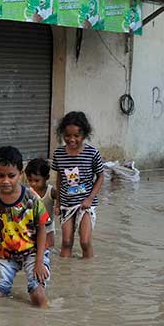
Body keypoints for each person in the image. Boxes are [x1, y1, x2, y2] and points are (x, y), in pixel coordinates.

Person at [0, 146, 51, 308]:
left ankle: (43, 324)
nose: (5, 181)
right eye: (0, 176)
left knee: (38, 296)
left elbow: (42, 228)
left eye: (11, 176)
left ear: (20, 173)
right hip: (7, 254)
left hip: (33, 252)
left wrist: (39, 261)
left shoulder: (32, 198)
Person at [52, 111, 104, 259]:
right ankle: (65, 274)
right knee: (67, 241)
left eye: (76, 136)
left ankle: (86, 274)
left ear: (84, 135)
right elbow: (60, 178)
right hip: (66, 204)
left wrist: (89, 199)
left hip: (85, 204)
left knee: (85, 242)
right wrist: (58, 203)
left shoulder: (92, 153)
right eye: (67, 135)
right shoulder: (59, 154)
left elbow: (100, 177)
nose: (71, 139)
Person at [25, 157, 56, 250]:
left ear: (47, 178)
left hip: (48, 226)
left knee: (49, 249)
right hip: (33, 227)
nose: (33, 184)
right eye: (30, 180)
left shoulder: (52, 191)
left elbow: (62, 201)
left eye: (36, 180)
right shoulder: (28, 193)